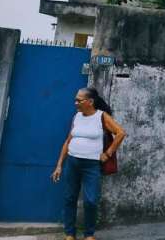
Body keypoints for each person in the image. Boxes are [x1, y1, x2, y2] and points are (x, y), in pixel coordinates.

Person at [51, 87, 126, 240]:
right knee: (69, 198)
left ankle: (89, 234)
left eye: (79, 100)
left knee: (91, 201)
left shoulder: (101, 117)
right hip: (73, 162)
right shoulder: (77, 117)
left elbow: (120, 133)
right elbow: (68, 141)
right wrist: (59, 165)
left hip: (91, 166)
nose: (75, 103)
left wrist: (108, 153)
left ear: (90, 102)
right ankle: (70, 233)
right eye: (75, 99)